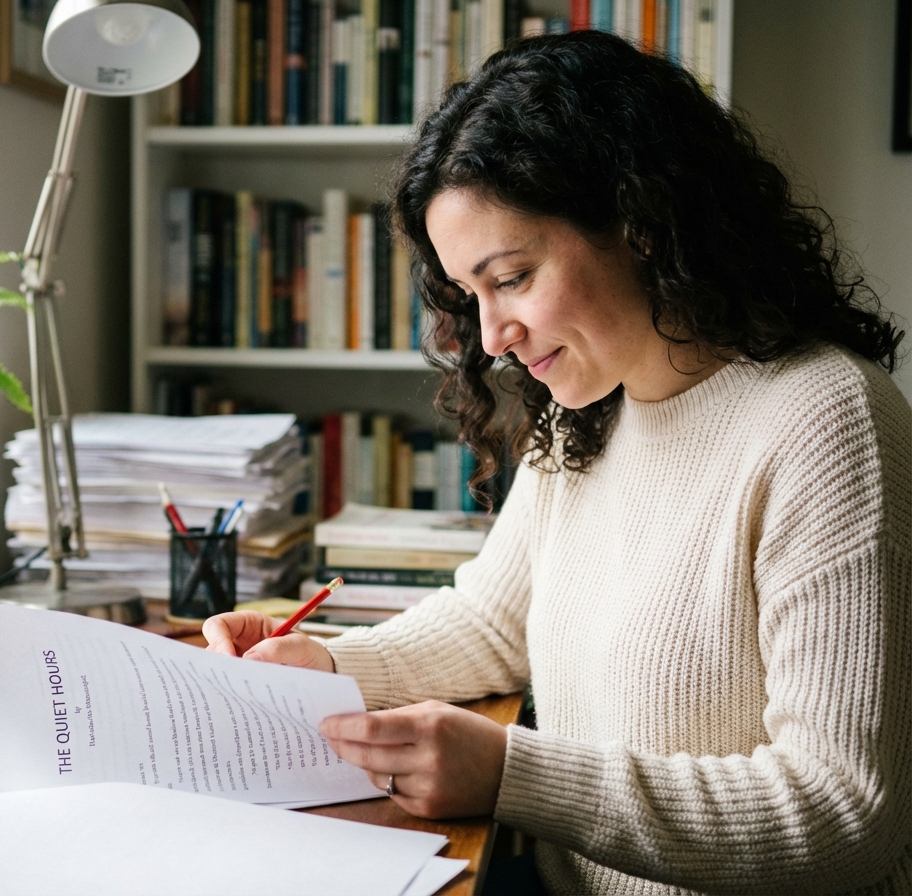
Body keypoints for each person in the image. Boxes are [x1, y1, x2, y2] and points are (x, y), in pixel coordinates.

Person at [204, 31, 910, 895]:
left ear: (643, 223)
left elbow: (842, 814)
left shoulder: (826, 421)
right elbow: (493, 623)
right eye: (470, 294)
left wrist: (513, 774)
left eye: (511, 277)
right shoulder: (589, 407)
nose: (492, 336)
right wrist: (326, 667)